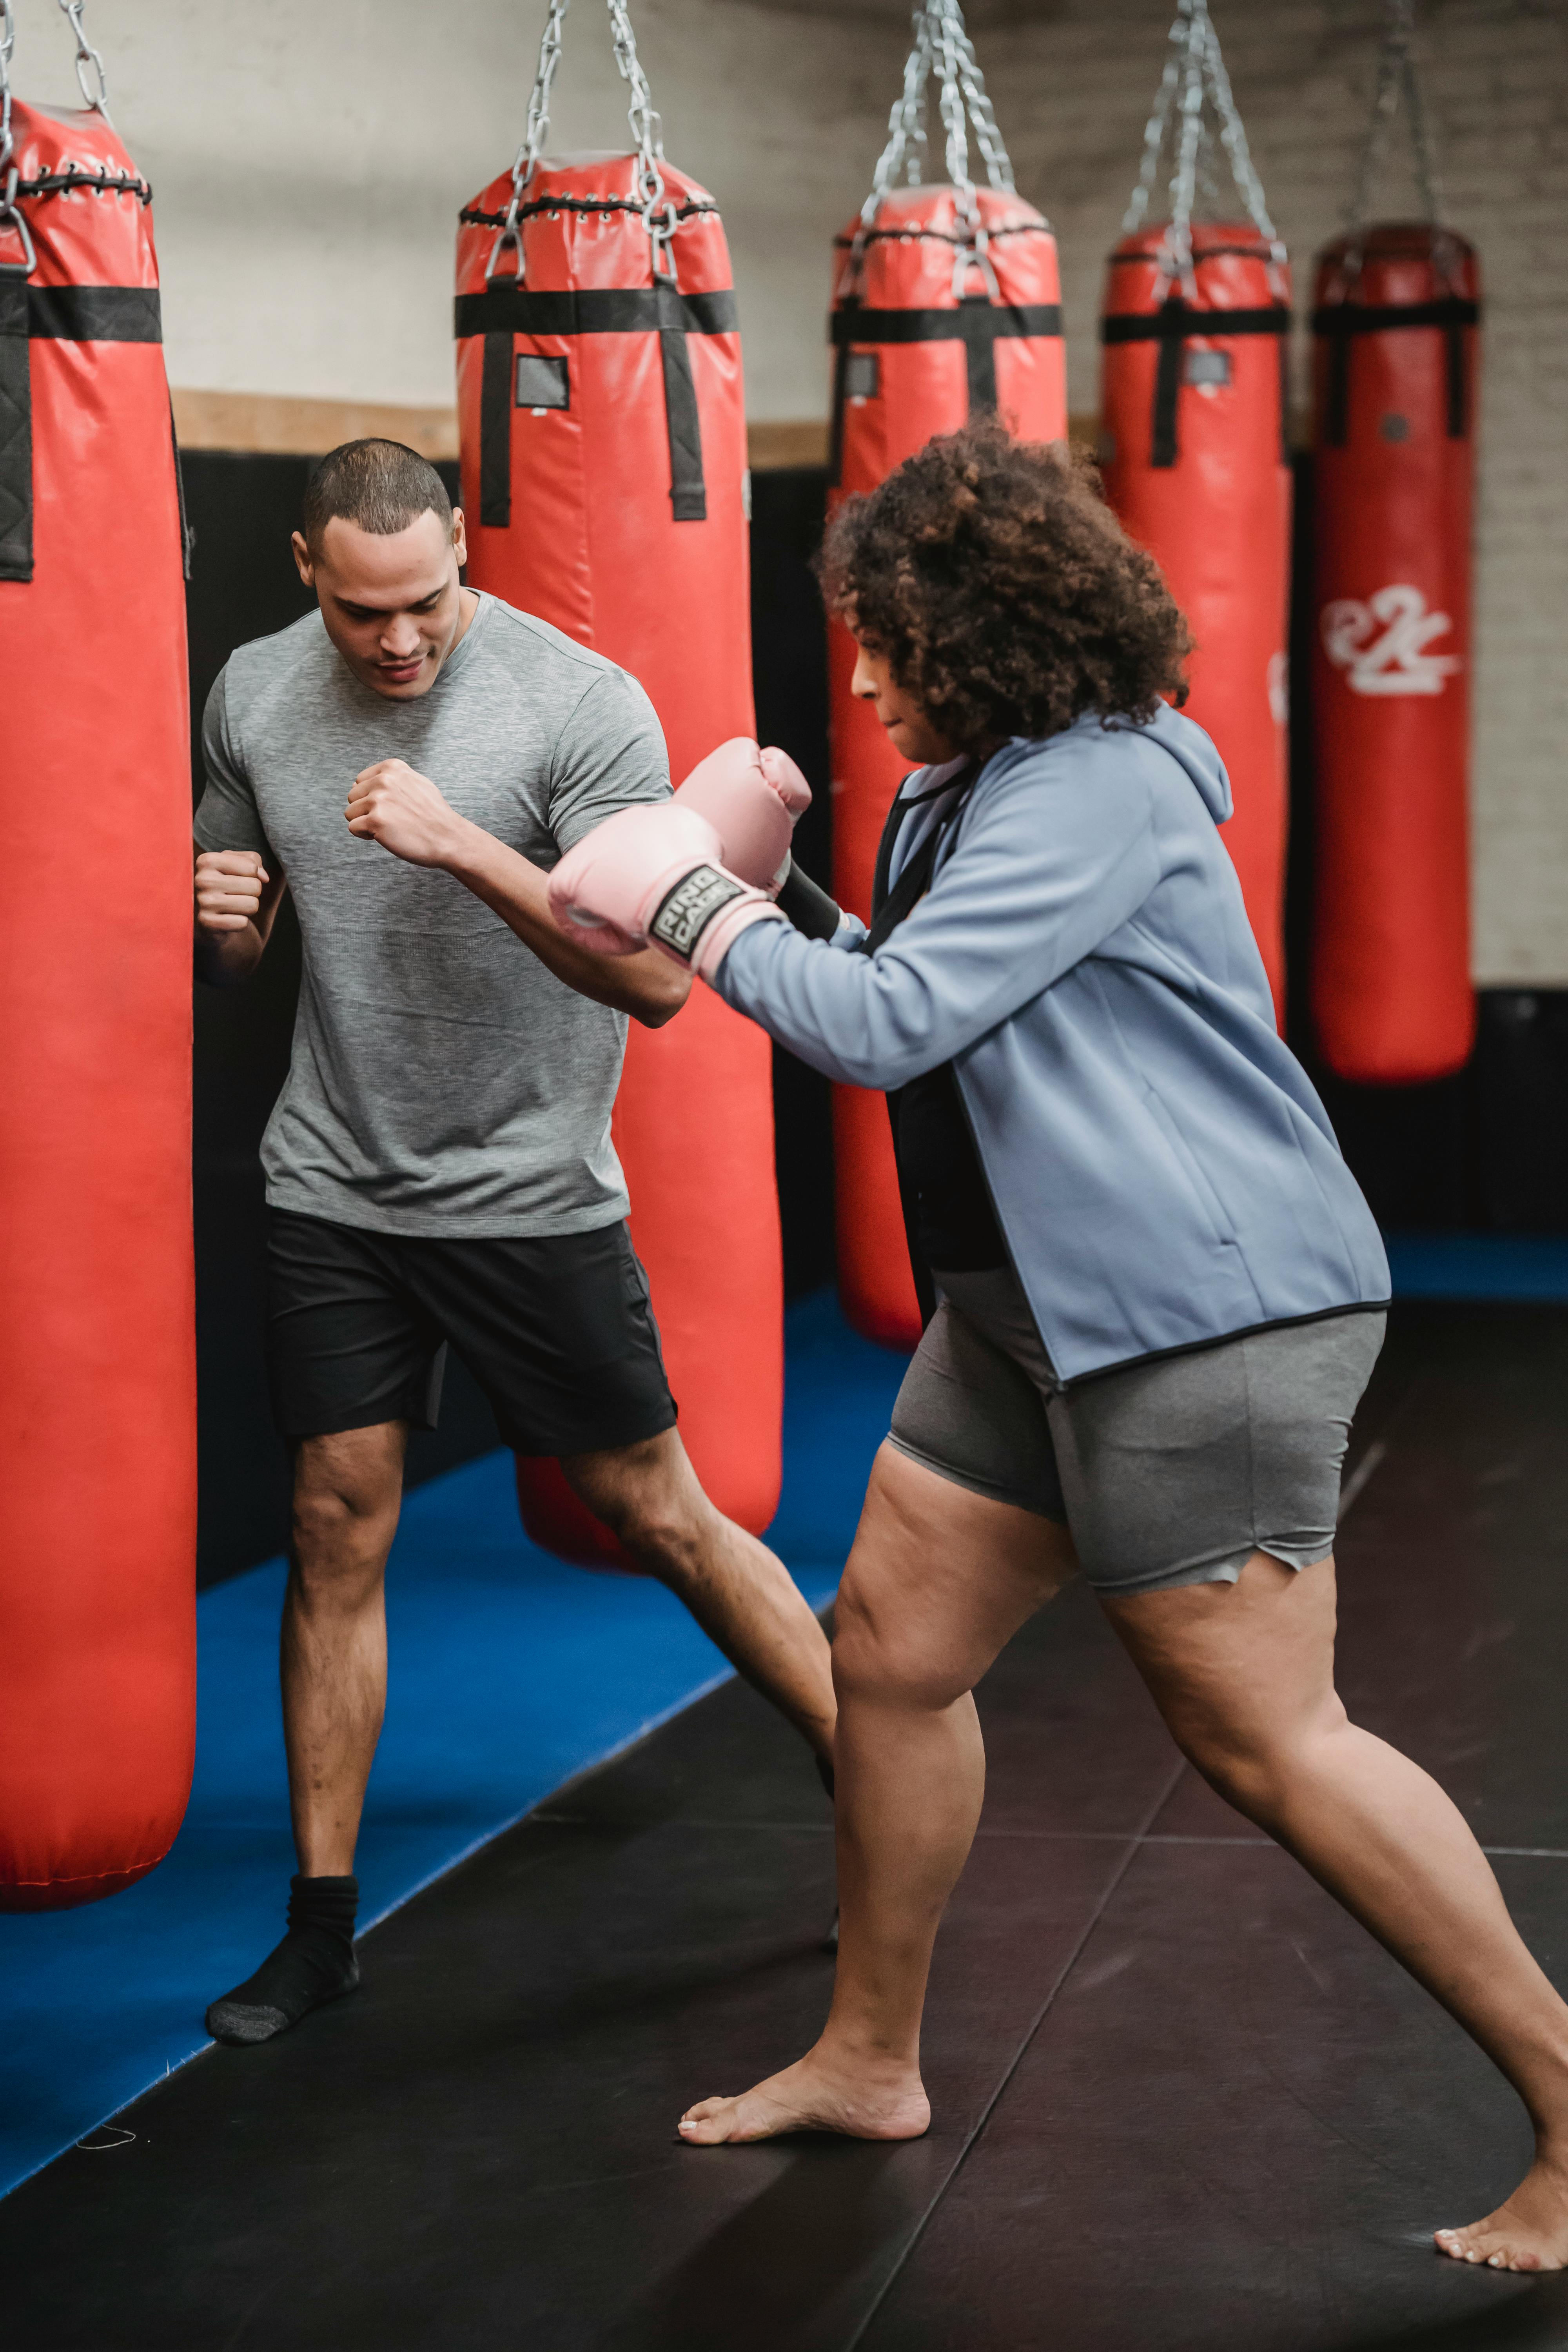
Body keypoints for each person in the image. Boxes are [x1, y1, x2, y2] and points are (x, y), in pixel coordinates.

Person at [544, 420, 1568, 2276]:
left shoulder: (1094, 787)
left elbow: (887, 1027)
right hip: (1027, 1306)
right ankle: (867, 2061)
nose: (856, 679)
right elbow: (930, 1002)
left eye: (886, 644)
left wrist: (693, 901)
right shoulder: (968, 786)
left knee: (1266, 1739)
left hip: (1203, 1304)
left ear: (984, 637)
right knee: (892, 1656)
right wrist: (776, 898)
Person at [194, 439, 835, 2047]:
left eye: (421, 606)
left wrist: (464, 844)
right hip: (332, 1180)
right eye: (360, 614)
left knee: (661, 1515)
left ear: (463, 554)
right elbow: (243, 924)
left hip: (528, 1191)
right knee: (334, 1521)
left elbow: (656, 984)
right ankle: (320, 1925)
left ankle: (878, 1780)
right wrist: (227, 925)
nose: (396, 642)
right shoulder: (253, 693)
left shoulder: (578, 704)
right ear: (303, 572)